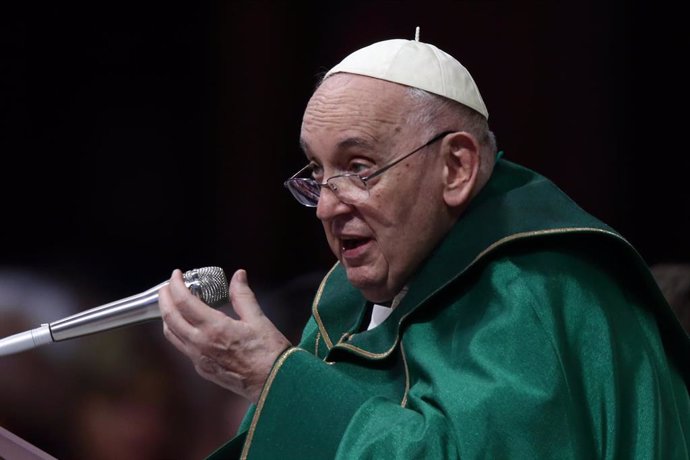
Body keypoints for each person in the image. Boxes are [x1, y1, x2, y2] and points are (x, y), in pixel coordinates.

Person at [158, 33, 690, 459]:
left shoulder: (529, 288)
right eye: (317, 173)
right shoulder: (355, 296)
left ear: (456, 168)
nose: (325, 206)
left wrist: (275, 378)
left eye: (359, 168)